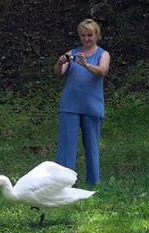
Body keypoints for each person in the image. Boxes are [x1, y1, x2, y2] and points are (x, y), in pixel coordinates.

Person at [53, 18, 110, 185]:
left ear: (96, 35)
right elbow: (59, 72)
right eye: (83, 35)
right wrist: (59, 62)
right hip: (69, 105)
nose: (86, 39)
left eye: (89, 35)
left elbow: (102, 71)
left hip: (92, 106)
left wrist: (85, 65)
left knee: (91, 146)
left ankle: (93, 182)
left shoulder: (103, 54)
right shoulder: (72, 53)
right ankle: (63, 183)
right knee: (66, 146)